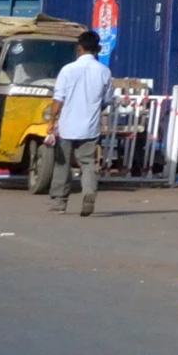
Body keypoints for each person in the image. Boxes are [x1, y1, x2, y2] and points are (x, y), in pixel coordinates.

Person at [48, 30, 113, 218]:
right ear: (98, 49)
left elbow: (58, 98)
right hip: (90, 127)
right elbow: (106, 100)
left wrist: (51, 120)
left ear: (79, 48)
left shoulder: (68, 70)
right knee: (88, 164)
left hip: (67, 126)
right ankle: (89, 192)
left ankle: (59, 203)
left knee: (62, 164)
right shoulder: (104, 72)